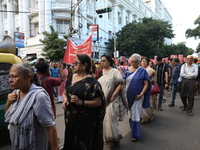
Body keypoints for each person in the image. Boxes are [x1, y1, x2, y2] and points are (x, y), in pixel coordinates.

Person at [4, 63, 58, 150]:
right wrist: (8, 102)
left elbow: (51, 128)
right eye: (9, 76)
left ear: (28, 77)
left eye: (14, 76)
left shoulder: (38, 97)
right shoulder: (15, 94)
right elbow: (9, 116)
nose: (10, 80)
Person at [62, 54, 105, 150]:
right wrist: (65, 101)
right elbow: (65, 93)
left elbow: (98, 102)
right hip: (70, 119)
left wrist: (81, 102)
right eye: (73, 63)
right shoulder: (71, 78)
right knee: (70, 141)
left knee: (83, 144)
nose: (73, 65)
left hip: (85, 121)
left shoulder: (93, 83)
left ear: (84, 65)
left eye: (76, 63)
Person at [97, 54, 124, 148]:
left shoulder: (115, 71)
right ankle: (108, 138)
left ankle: (113, 138)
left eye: (104, 61)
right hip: (102, 100)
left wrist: (114, 95)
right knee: (104, 120)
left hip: (112, 99)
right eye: (101, 61)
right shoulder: (100, 72)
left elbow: (121, 84)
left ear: (109, 61)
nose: (102, 62)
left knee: (111, 119)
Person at [124, 53, 151, 142]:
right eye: (132, 61)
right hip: (128, 96)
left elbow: (146, 84)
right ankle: (133, 129)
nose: (134, 63)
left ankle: (135, 134)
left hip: (138, 97)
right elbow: (124, 82)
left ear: (139, 62)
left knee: (136, 114)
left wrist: (141, 94)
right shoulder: (127, 70)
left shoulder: (142, 71)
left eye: (135, 62)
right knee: (132, 114)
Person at [140, 57, 155, 123]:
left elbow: (151, 77)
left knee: (147, 101)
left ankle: (149, 115)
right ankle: (142, 117)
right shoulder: (138, 69)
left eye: (145, 61)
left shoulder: (150, 70)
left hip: (147, 86)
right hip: (139, 87)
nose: (143, 62)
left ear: (147, 63)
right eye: (142, 61)